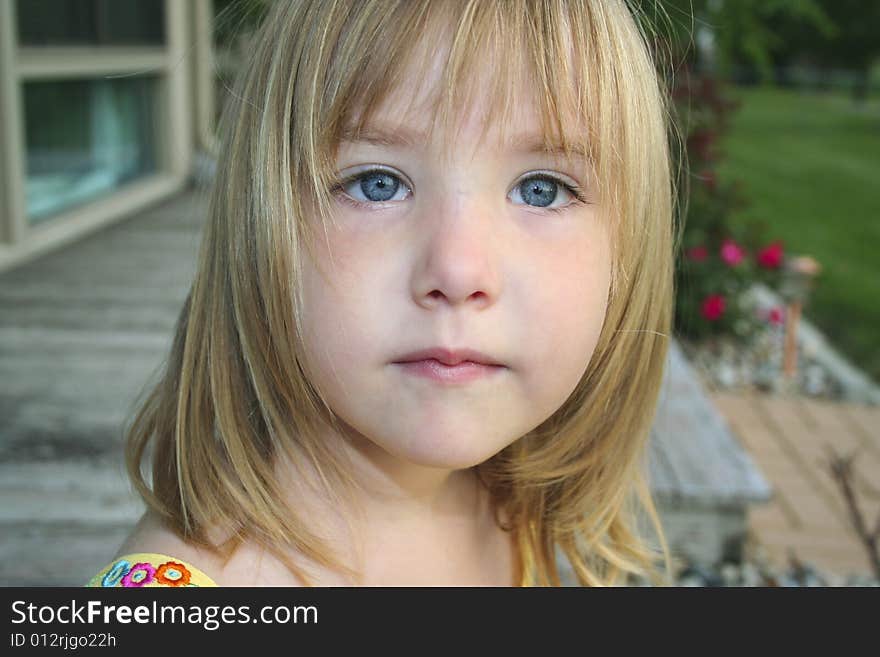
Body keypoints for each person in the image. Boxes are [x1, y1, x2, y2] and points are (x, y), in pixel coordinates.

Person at [86, 0, 678, 587]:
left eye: (542, 189)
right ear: (261, 226)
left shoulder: (508, 506)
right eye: (378, 183)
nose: (458, 269)